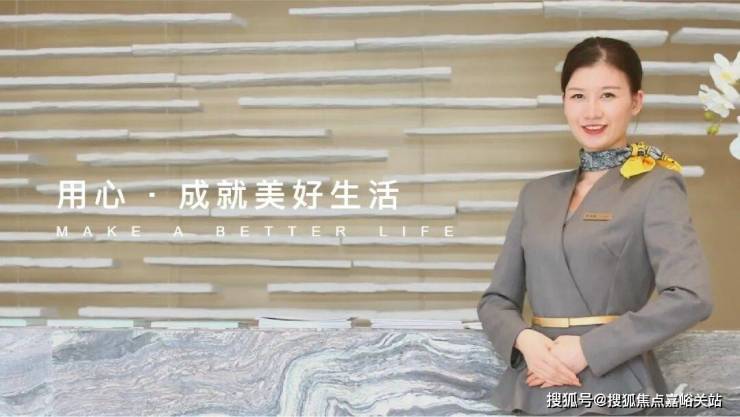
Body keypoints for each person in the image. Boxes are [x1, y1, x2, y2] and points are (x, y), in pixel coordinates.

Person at [476, 37, 714, 416]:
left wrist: (588, 349)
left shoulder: (656, 186)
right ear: (563, 103)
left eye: (607, 95)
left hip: (614, 380)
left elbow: (691, 296)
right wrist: (525, 341)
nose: (591, 112)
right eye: (578, 96)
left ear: (636, 101)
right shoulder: (536, 194)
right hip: (536, 379)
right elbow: (496, 301)